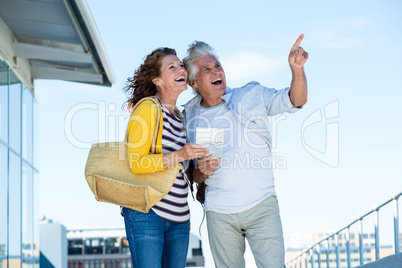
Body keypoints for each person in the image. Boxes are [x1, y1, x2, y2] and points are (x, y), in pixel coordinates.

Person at [182, 35, 308, 268]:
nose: (216, 71)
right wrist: (202, 171)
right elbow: (191, 175)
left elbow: (295, 100)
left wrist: (297, 70)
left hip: (261, 205)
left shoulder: (250, 95)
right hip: (219, 213)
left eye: (217, 65)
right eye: (206, 69)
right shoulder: (189, 118)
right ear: (193, 82)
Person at [122, 47, 209, 268]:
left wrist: (202, 170)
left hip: (180, 217)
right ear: (157, 81)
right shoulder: (148, 108)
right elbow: (136, 162)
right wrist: (180, 154)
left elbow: (183, 171)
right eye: (172, 67)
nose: (181, 68)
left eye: (181, 65)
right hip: (147, 213)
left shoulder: (181, 117)